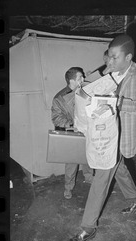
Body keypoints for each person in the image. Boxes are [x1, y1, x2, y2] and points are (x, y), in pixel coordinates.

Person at [68, 34, 136, 241]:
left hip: (124, 135)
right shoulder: (109, 72)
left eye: (114, 58)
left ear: (128, 57)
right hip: (106, 133)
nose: (109, 62)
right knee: (117, 167)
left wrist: (119, 104)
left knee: (102, 175)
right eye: (108, 57)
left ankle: (88, 227)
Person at [51, 67, 94, 199]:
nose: (83, 80)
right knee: (71, 163)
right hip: (73, 132)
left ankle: (89, 178)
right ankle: (68, 188)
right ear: (71, 81)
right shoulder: (59, 98)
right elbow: (56, 118)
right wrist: (72, 124)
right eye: (80, 78)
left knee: (89, 157)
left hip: (87, 130)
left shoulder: (86, 91)